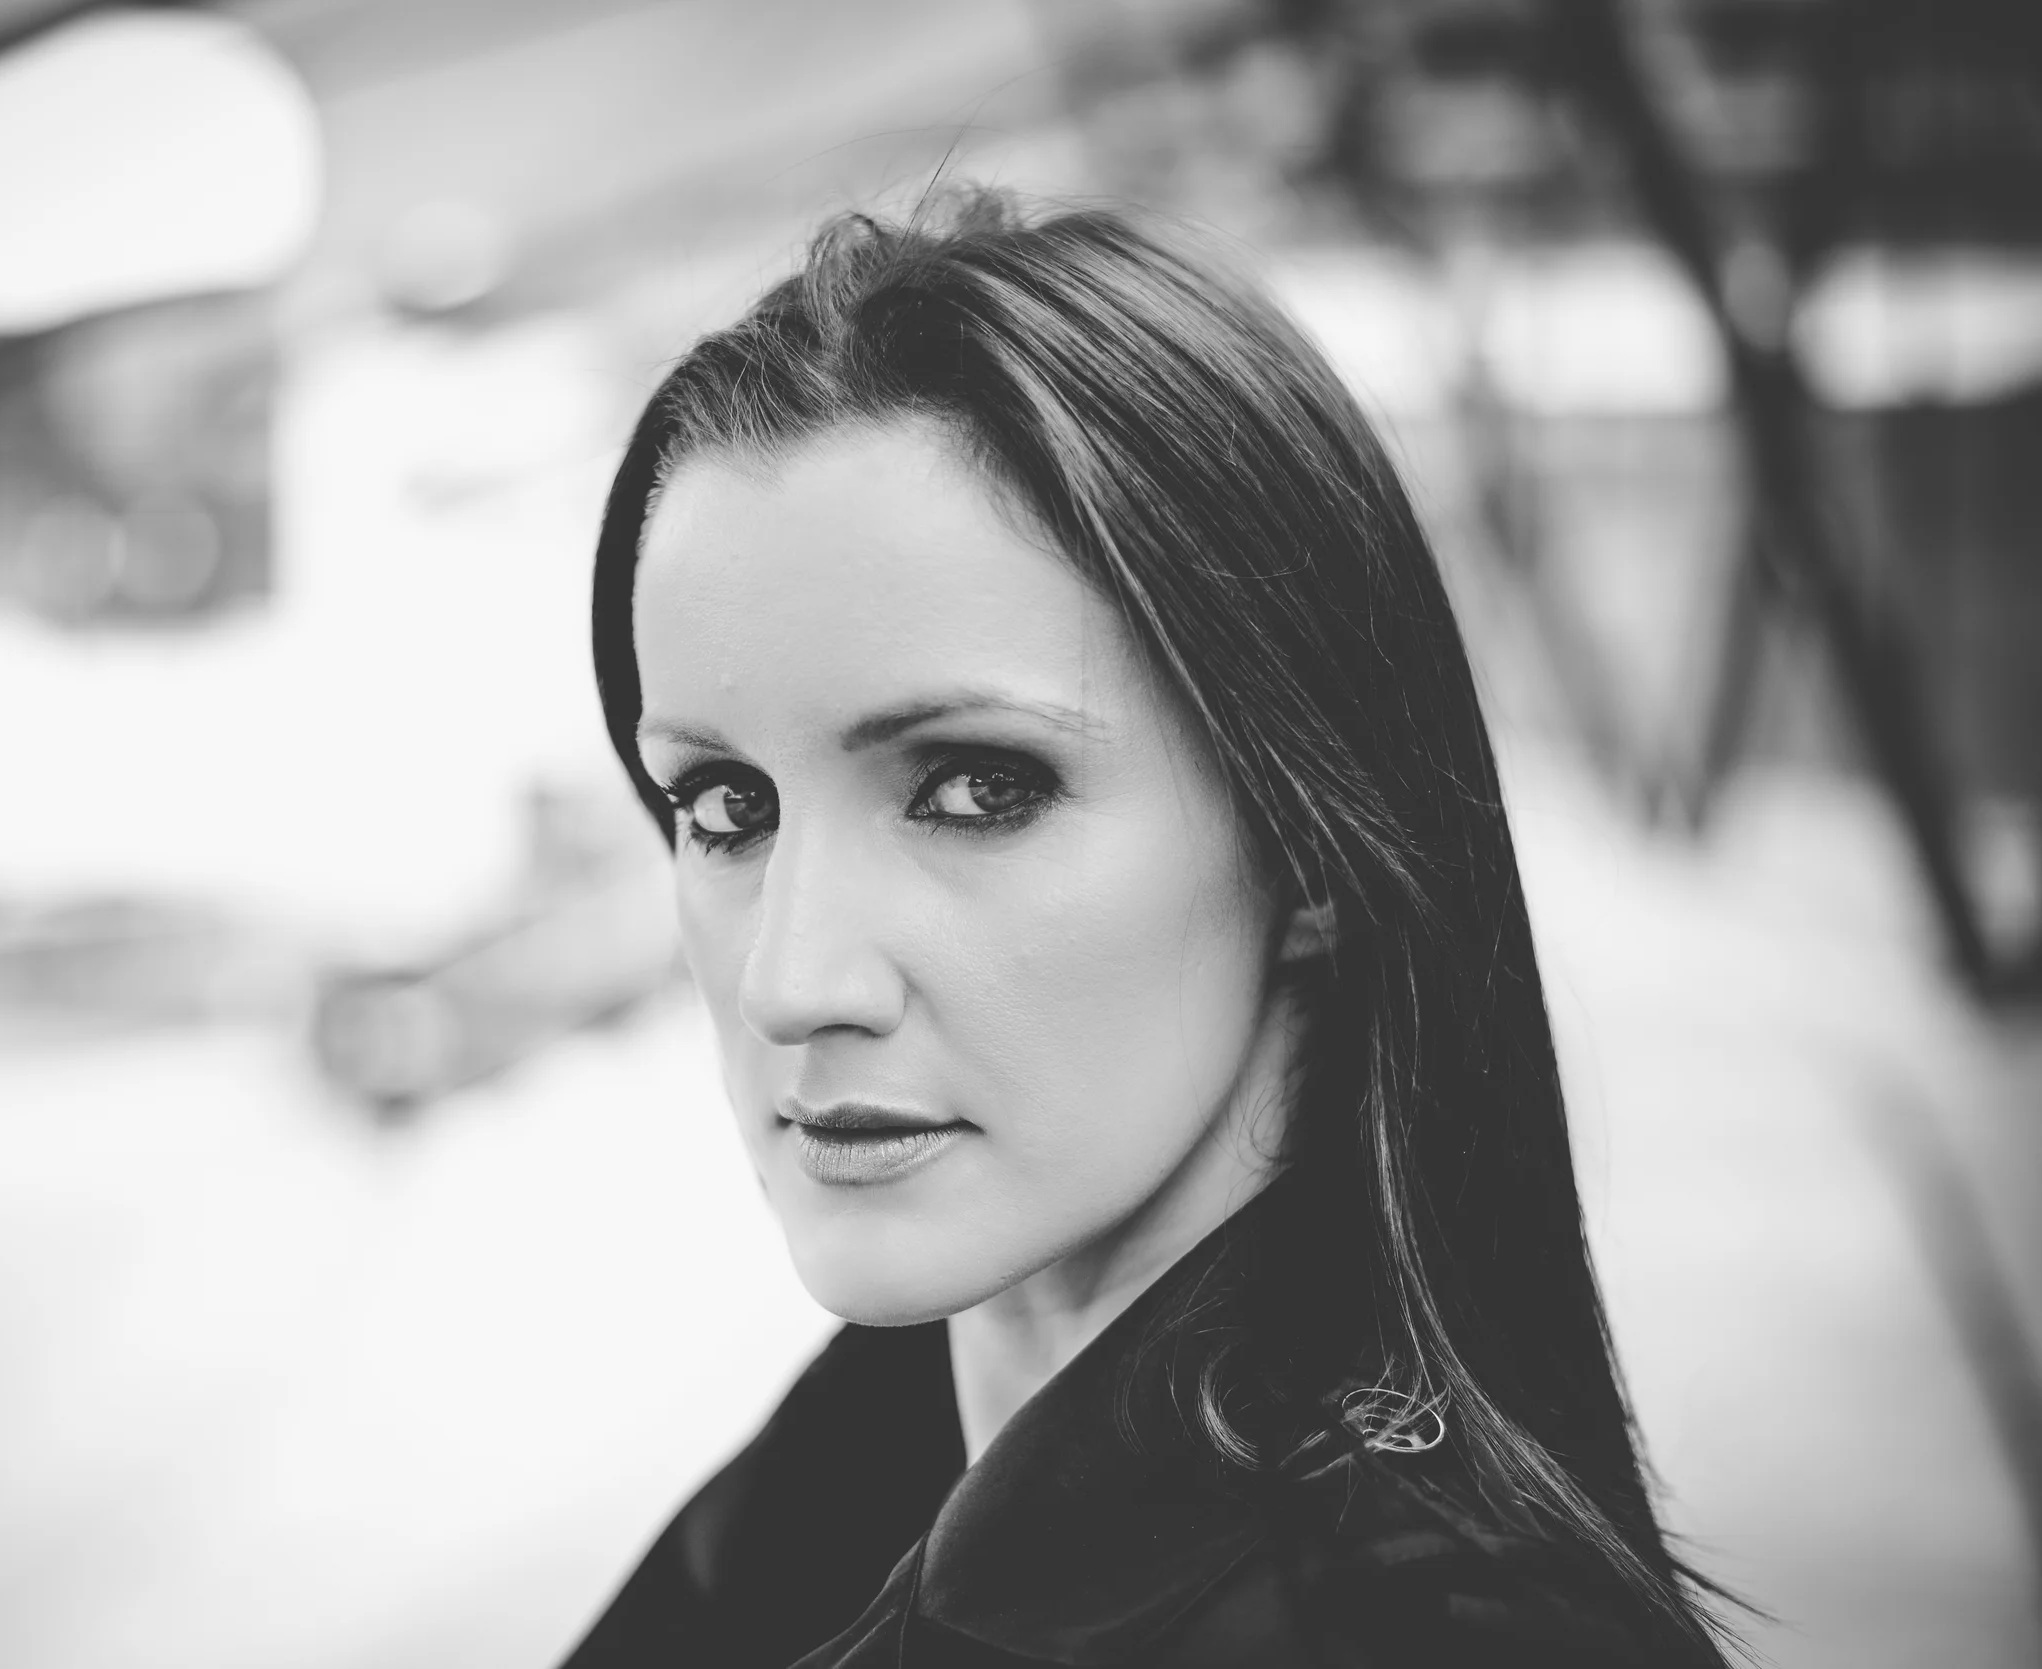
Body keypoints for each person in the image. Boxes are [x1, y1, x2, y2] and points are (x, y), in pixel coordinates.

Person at [563, 188, 1740, 1668]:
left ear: (1311, 842)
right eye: (727, 806)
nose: (790, 984)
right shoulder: (844, 1482)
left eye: (976, 789)